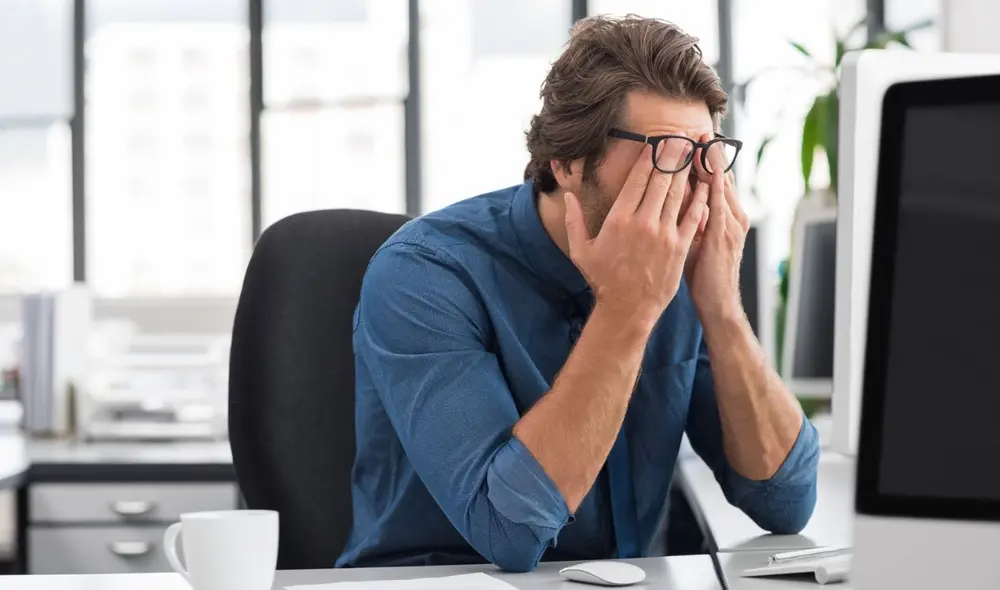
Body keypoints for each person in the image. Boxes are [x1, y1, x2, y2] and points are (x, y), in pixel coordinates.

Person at [337, 15, 819, 572]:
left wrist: (721, 308)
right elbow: (509, 533)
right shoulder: (424, 274)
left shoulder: (684, 267)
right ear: (567, 162)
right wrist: (627, 310)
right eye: (665, 154)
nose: (688, 188)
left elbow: (785, 500)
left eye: (705, 156)